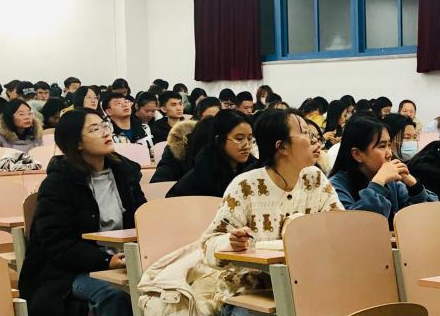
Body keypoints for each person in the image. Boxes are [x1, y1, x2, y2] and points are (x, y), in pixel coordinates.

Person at [138, 110, 342, 315]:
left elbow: (340, 226)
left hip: (306, 283)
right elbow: (208, 243)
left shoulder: (315, 179)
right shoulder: (246, 186)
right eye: (305, 133)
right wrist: (230, 242)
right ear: (282, 146)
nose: (315, 141)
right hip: (248, 289)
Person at [18, 109, 145, 316]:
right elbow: (57, 243)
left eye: (104, 125)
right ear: (77, 143)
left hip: (125, 261)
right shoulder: (58, 184)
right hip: (68, 272)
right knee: (114, 296)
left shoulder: (125, 173)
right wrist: (106, 261)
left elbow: (142, 220)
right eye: (94, 129)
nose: (105, 132)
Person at [328, 116, 437, 226]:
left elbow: (428, 215)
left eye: (389, 145)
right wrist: (378, 183)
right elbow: (356, 226)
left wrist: (414, 186)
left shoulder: (392, 183)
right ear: (357, 154)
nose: (389, 154)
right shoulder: (334, 187)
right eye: (382, 146)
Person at [167, 110, 257, 198]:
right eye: (239, 139)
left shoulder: (255, 168)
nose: (247, 145)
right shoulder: (203, 173)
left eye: (249, 138)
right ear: (220, 140)